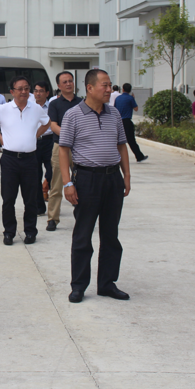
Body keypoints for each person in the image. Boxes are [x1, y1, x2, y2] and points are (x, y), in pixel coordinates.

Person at [60, 68, 131, 303]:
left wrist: (126, 175)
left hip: (112, 179)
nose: (109, 89)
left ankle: (107, 284)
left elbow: (122, 145)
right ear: (90, 88)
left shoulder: (114, 114)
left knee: (111, 235)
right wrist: (68, 183)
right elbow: (64, 150)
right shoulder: (73, 115)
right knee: (83, 235)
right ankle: (79, 285)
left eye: (110, 85)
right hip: (86, 180)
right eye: (105, 85)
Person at [0, 76, 50, 246]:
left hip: (30, 160)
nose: (24, 92)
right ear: (12, 91)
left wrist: (35, 135)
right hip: (10, 160)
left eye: (27, 88)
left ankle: (30, 231)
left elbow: (47, 123)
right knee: (8, 199)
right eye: (20, 89)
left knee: (30, 199)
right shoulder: (4, 109)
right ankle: (9, 232)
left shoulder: (36, 108)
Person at [45, 71, 82, 232]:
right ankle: (53, 218)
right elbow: (53, 125)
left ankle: (82, 217)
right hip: (60, 147)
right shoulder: (54, 104)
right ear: (59, 86)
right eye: (65, 82)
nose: (68, 84)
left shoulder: (82, 103)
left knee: (81, 183)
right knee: (57, 184)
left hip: (80, 148)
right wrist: (69, 135)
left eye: (70, 81)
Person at [32, 81, 54, 212]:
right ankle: (39, 206)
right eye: (36, 91)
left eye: (41, 91)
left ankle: (46, 185)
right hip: (34, 142)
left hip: (49, 141)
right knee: (35, 174)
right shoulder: (29, 106)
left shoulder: (52, 107)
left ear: (47, 93)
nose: (38, 94)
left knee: (52, 170)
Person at [114, 83, 148, 163]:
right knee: (131, 140)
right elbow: (136, 109)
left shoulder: (118, 98)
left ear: (122, 89)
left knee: (116, 141)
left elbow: (114, 109)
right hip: (127, 122)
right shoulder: (130, 98)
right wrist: (133, 99)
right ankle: (139, 156)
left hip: (118, 122)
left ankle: (114, 157)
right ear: (130, 90)